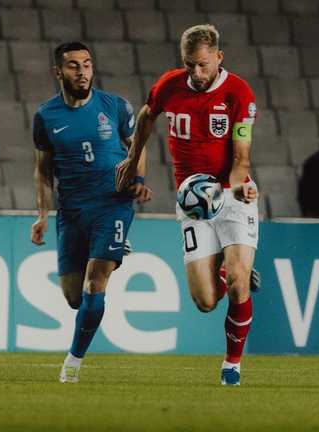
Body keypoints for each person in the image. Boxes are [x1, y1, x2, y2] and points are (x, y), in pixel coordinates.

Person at [116, 24, 260, 386]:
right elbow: (147, 116)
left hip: (230, 193)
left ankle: (232, 364)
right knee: (206, 300)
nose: (196, 73)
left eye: (202, 65)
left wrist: (241, 184)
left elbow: (242, 154)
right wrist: (133, 161)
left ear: (218, 57)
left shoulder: (238, 93)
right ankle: (228, 271)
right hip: (192, 201)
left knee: (240, 284)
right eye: (189, 65)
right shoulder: (169, 85)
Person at [30, 41, 152, 384]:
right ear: (58, 72)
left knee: (95, 283)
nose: (82, 71)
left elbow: (137, 146)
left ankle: (73, 362)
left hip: (112, 202)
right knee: (73, 298)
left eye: (86, 64)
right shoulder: (46, 116)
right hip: (71, 210)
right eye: (73, 65)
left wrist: (137, 178)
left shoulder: (114, 107)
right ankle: (114, 247)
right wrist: (42, 214)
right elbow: (42, 169)